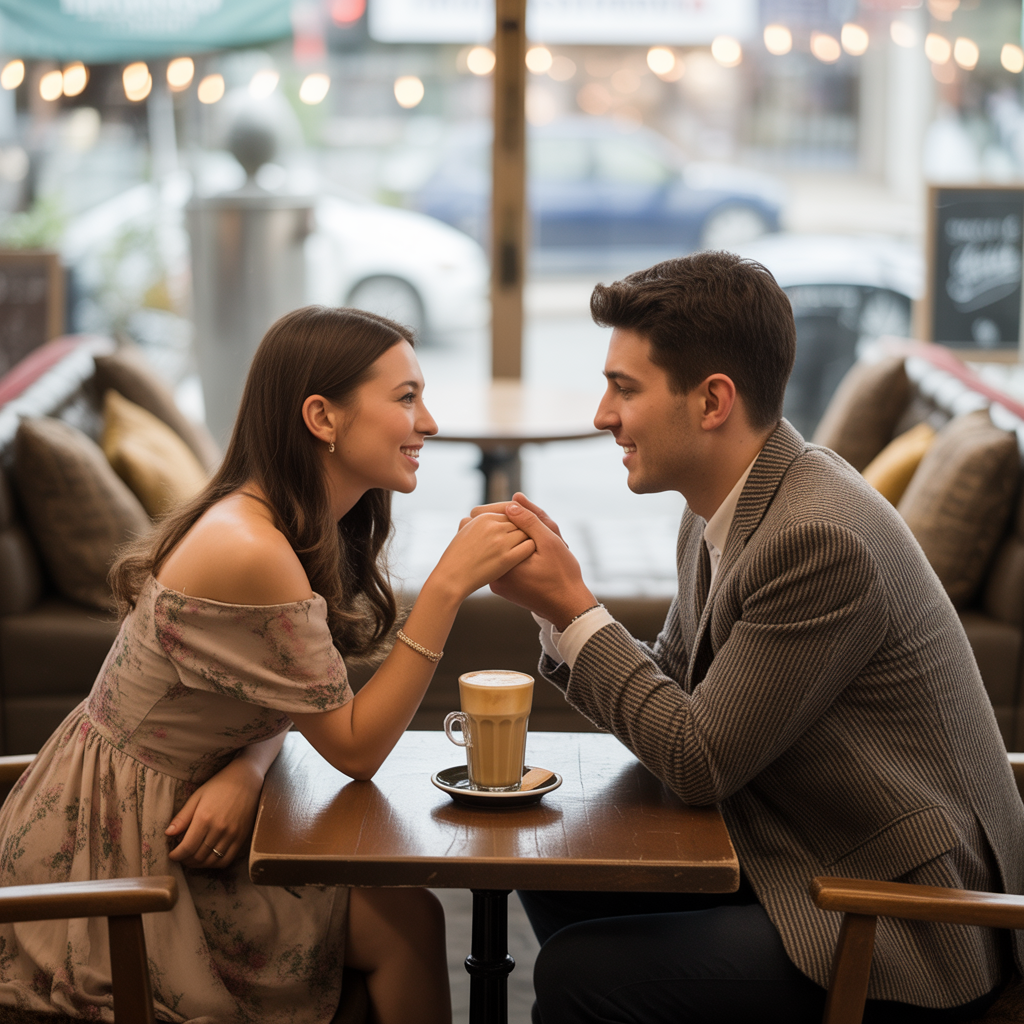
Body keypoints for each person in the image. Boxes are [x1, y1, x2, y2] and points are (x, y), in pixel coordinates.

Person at [472, 252, 1024, 1024]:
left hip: (902, 918)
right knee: (545, 857)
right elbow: (676, 677)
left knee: (579, 976)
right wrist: (558, 608)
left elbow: (698, 760)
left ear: (712, 401)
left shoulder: (821, 539)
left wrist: (574, 610)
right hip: (797, 845)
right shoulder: (718, 501)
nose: (604, 415)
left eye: (624, 388)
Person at [0, 306, 534, 1024]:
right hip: (125, 859)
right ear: (322, 417)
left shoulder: (283, 522)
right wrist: (444, 590)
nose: (429, 422)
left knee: (408, 916)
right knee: (408, 925)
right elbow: (353, 746)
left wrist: (249, 766)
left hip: (167, 818)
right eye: (406, 398)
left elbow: (270, 695)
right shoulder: (247, 549)